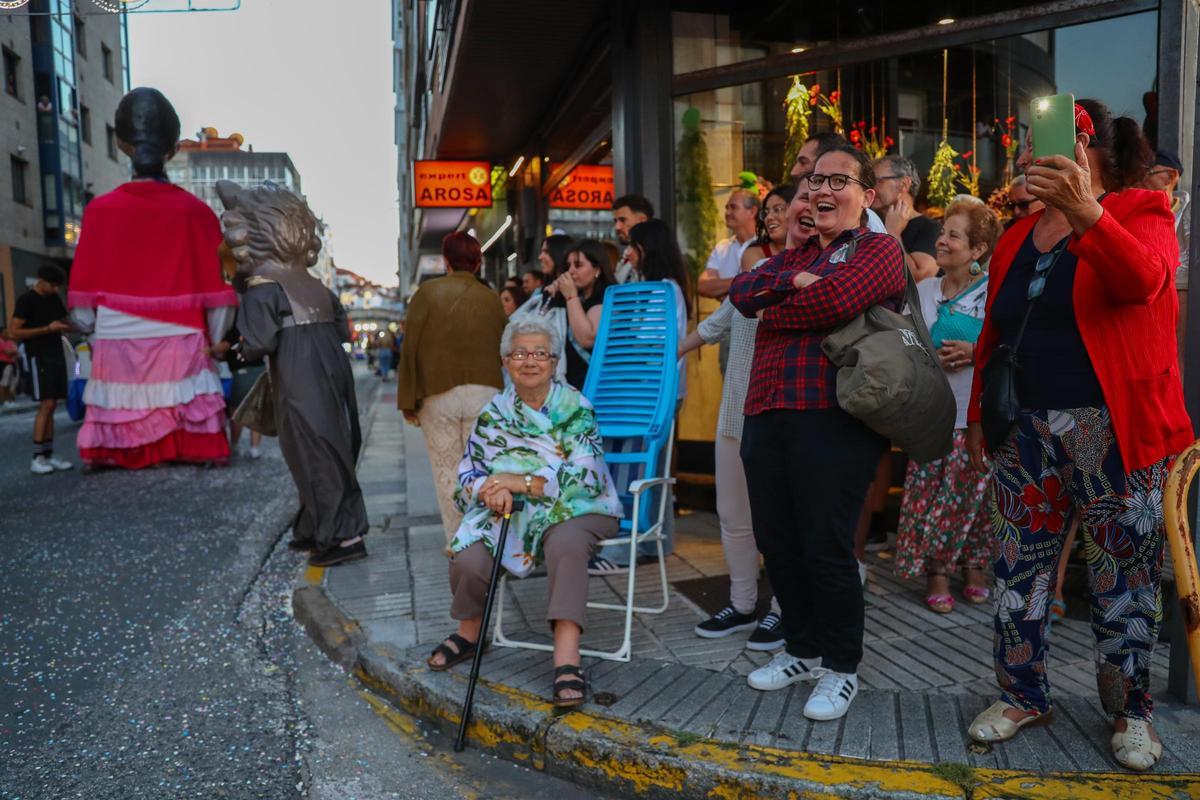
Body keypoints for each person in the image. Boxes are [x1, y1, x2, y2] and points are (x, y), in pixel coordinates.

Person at [964, 99, 1188, 773]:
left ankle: (1130, 711)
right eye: (1028, 144)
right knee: (1019, 569)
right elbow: (994, 332)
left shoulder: (1141, 210)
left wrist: (1087, 211)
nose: (1032, 155)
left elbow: (1144, 281)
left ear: (1091, 151)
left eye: (1052, 142)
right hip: (1025, 430)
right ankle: (1022, 694)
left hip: (1114, 428)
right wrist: (977, 417)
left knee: (1126, 577)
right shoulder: (1015, 235)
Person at [730, 145, 905, 722]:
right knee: (778, 543)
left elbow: (834, 301)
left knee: (827, 546)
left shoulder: (878, 249)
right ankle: (801, 650)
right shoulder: (795, 253)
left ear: (867, 195)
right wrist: (793, 281)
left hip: (835, 416)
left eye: (837, 180)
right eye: (816, 180)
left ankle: (841, 665)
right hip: (765, 409)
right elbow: (741, 292)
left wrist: (777, 305)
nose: (821, 191)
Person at [428, 314, 622, 708]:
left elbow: (586, 475)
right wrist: (489, 491)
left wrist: (520, 483)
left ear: (554, 362)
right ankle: (469, 633)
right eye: (519, 353)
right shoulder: (493, 413)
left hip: (578, 506)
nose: (530, 361)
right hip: (513, 512)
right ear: (505, 362)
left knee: (565, 543)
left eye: (540, 353)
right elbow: (467, 475)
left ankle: (567, 657)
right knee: (469, 557)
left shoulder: (575, 407)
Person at [67, 88, 237, 469]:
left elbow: (82, 306)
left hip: (115, 335)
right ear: (173, 148)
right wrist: (215, 340)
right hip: (184, 337)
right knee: (188, 419)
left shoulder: (99, 212)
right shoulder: (197, 213)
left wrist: (92, 331)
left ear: (121, 144)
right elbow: (218, 296)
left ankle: (116, 449)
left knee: (121, 414)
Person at [218, 180, 368, 566]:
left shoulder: (263, 289)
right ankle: (318, 526)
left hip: (297, 375)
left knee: (309, 452)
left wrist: (238, 347)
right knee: (331, 447)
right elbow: (341, 329)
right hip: (330, 368)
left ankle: (341, 537)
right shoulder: (316, 286)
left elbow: (257, 342)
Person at [677, 183, 798, 649]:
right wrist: (671, 352)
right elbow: (717, 323)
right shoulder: (756, 271)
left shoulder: (814, 273)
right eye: (768, 210)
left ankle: (784, 610)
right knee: (732, 514)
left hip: (780, 412)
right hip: (735, 411)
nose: (772, 216)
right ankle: (743, 604)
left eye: (781, 208)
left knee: (781, 520)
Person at [894, 198, 1003, 613]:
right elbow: (902, 343)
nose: (941, 241)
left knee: (973, 496)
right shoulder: (923, 291)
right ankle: (936, 570)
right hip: (931, 415)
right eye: (942, 233)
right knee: (928, 496)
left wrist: (976, 352)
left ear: (978, 249)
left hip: (975, 415)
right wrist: (926, 356)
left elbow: (1008, 344)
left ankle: (974, 565)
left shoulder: (993, 292)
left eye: (953, 236)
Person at [586, 219, 689, 575]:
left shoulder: (662, 290)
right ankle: (656, 543)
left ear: (648, 248)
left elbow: (645, 343)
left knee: (634, 471)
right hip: (655, 392)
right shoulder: (667, 287)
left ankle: (621, 550)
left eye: (633, 246)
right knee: (652, 471)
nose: (628, 252)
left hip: (646, 394)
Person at [400, 232, 509, 543]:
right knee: (483, 469)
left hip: (438, 393)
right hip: (486, 391)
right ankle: (486, 540)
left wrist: (408, 401)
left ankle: (458, 542)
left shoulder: (426, 293)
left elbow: (410, 348)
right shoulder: (491, 297)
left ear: (445, 260)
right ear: (478, 261)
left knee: (447, 472)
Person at [10, 265, 75, 474]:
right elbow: (14, 332)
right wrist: (47, 329)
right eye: (52, 285)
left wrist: (80, 327)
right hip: (39, 356)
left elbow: (65, 322)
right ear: (42, 280)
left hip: (56, 354)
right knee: (46, 404)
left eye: (57, 286)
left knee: (53, 404)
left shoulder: (54, 298)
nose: (55, 289)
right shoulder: (26, 300)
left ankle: (48, 454)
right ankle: (37, 457)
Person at [551, 239, 615, 391]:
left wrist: (570, 296)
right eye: (568, 266)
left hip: (595, 388)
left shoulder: (606, 298)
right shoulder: (579, 298)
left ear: (597, 269)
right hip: (572, 385)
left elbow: (587, 338)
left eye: (578, 265)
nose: (571, 271)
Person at [872, 155, 941, 280]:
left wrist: (893, 235)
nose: (872, 188)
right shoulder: (871, 223)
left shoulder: (930, 228)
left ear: (904, 184)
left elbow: (920, 277)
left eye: (878, 181)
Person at [697, 189, 760, 300]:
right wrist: (745, 281)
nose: (727, 213)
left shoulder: (766, 246)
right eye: (727, 208)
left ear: (752, 211)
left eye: (733, 207)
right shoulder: (722, 247)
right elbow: (702, 286)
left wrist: (722, 290)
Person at [611, 195, 654, 283]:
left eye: (623, 220)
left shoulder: (657, 257)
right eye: (616, 221)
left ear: (642, 221)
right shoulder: (627, 256)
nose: (617, 227)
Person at [0, 325, 20, 405]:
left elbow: (18, 354)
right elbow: (8, 352)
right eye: (5, 332)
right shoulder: (0, 342)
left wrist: (13, 352)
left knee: (12, 383)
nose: (7, 333)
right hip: (4, 364)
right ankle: (4, 401)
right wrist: (13, 351)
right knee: (4, 383)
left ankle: (10, 400)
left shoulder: (10, 342)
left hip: (12, 364)